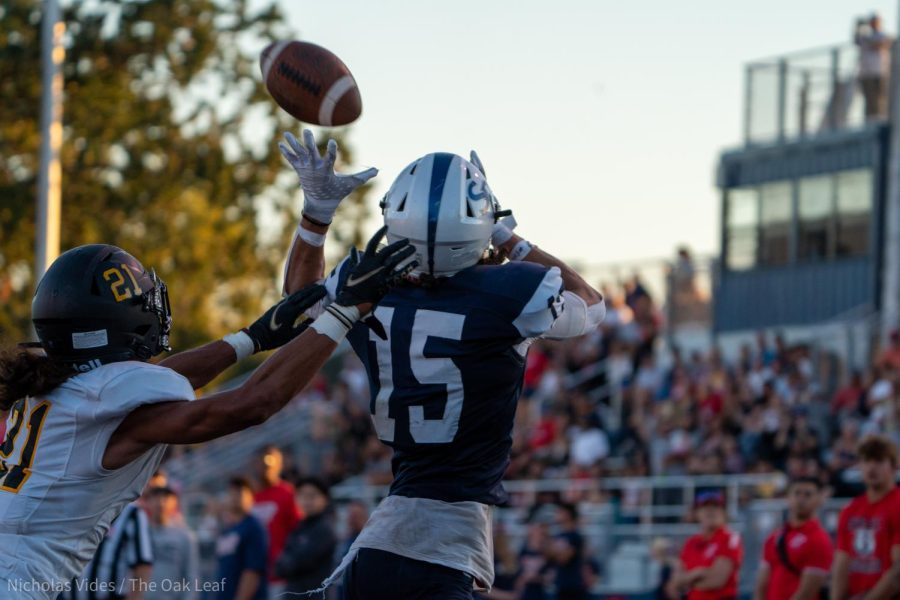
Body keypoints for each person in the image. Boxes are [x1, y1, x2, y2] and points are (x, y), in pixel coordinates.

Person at [0, 129, 415, 599]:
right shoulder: (105, 397)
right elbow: (250, 404)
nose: (150, 307)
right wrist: (344, 312)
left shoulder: (60, 383)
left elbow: (165, 379)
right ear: (112, 323)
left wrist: (252, 337)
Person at [285, 147, 604, 599]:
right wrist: (511, 240)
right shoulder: (510, 293)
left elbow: (296, 301)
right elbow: (591, 304)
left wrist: (316, 216)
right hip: (444, 546)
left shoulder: (367, 286)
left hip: (384, 540)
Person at [831, 436, 900, 600]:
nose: (871, 467)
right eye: (867, 461)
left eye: (879, 461)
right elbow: (842, 564)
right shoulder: (850, 509)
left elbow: (898, 570)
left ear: (893, 466)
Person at [752, 477, 833, 600]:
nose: (801, 499)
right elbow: (761, 585)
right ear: (788, 498)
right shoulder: (775, 537)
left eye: (808, 494)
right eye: (796, 493)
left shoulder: (819, 540)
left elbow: (806, 593)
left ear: (819, 500)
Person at [667, 491, 743, 600]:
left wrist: (687, 581)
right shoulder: (691, 542)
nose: (710, 510)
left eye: (716, 506)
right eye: (704, 507)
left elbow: (717, 580)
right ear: (696, 513)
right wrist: (698, 573)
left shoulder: (730, 538)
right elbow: (674, 582)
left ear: (724, 512)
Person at [251, 445, 301, 598]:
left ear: (279, 464)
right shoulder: (249, 497)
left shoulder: (288, 493)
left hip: (278, 577)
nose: (267, 465)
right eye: (263, 460)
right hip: (252, 576)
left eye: (272, 460)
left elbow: (298, 533)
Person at [274, 477, 337, 597]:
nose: (307, 500)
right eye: (302, 495)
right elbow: (279, 567)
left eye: (312, 496)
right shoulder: (298, 528)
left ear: (325, 499)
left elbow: (301, 561)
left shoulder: (324, 529)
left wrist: (289, 562)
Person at [216, 477, 269, 600]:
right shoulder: (227, 530)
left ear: (251, 497)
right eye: (231, 493)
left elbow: (252, 571)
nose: (235, 497)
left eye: (240, 492)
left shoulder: (254, 528)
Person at [144, 486, 199, 600]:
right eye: (156, 497)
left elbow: (191, 576)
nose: (160, 502)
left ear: (175, 503)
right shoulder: (137, 534)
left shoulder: (185, 537)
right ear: (147, 502)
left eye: (165, 498)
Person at [854, 13, 893, 121]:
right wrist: (858, 27)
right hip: (866, 74)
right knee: (869, 100)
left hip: (881, 72)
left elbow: (882, 44)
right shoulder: (865, 37)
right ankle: (870, 120)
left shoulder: (883, 36)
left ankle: (880, 119)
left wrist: (870, 42)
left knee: (881, 99)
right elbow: (856, 40)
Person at [549, 503, 588, 600]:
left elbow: (564, 558)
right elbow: (547, 555)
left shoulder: (575, 536)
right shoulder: (558, 535)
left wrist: (554, 551)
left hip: (574, 585)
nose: (556, 515)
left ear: (567, 514)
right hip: (561, 584)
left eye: (559, 512)